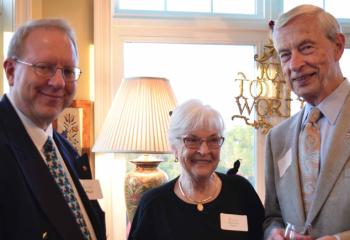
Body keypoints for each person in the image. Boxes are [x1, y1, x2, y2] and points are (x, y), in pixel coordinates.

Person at [0, 19, 106, 239]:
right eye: (44, 68)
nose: (58, 82)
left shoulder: (66, 149)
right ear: (11, 71)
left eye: (68, 71)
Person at [263, 4, 350, 240]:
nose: (295, 64)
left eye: (306, 48)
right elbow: (273, 216)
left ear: (338, 46)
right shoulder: (277, 138)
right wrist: (273, 233)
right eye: (285, 55)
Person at [128, 99, 264, 240]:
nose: (204, 151)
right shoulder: (154, 205)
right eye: (192, 140)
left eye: (213, 140)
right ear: (174, 147)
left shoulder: (241, 191)